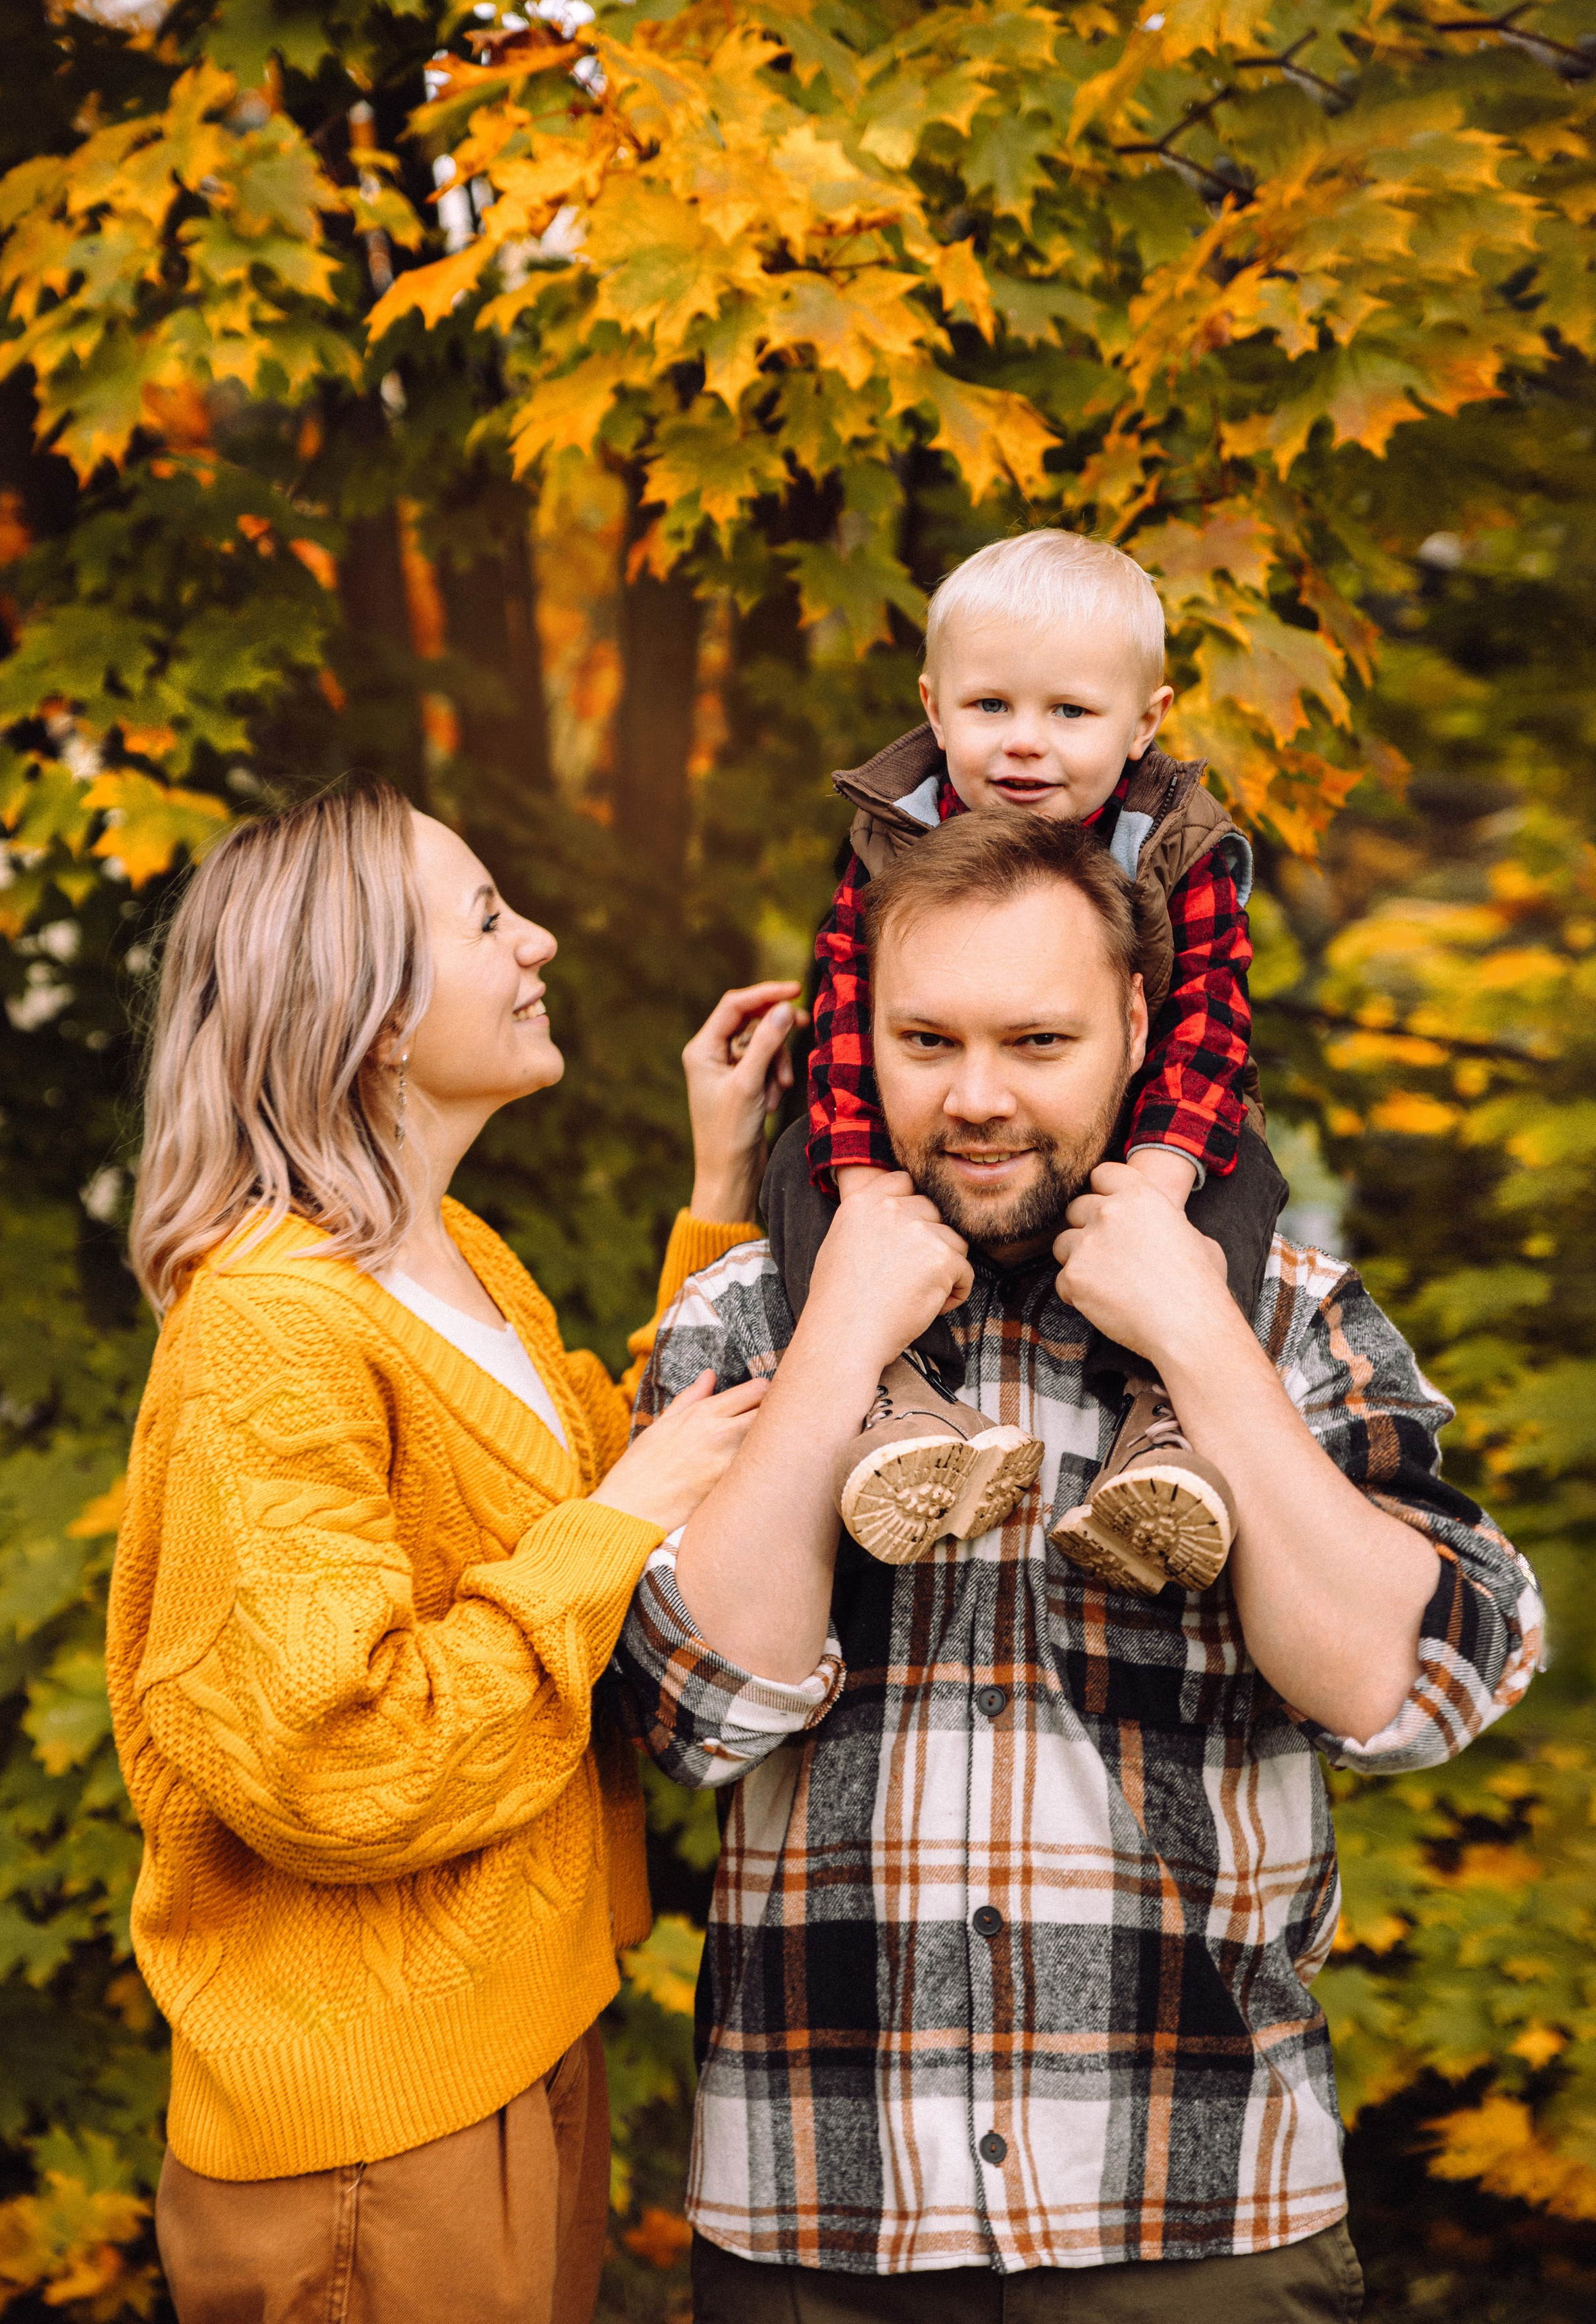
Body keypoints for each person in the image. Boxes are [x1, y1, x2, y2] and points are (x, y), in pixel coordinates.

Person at [613, 810, 1542, 2324]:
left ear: (1132, 1027)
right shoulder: (753, 1313)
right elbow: (688, 1708)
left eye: (1033, 1040)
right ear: (864, 1036)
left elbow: (1411, 1688)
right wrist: (839, 1336)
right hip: (819, 2229)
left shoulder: (1285, 1316)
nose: (974, 1099)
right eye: (926, 1040)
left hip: (1200, 2213)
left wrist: (1199, 1341)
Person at [107, 776, 801, 2324]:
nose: (537, 938)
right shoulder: (272, 1324)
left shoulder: (452, 1256)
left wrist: (716, 1194)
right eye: (485, 917)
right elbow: (331, 1758)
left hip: (510, 2031)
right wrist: (617, 1518)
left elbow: (608, 1496)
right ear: (373, 1016)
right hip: (372, 2119)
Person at [774, 528, 1286, 1590]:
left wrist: (1155, 1186)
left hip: (1133, 1135)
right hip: (937, 1153)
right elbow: (844, 1016)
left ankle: (1163, 1421)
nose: (1024, 745)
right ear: (933, 705)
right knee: (796, 1165)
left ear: (1145, 722)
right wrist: (868, 1192)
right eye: (990, 706)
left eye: (1070, 713)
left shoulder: (1176, 842)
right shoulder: (890, 834)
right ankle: (895, 1396)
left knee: (1242, 1183)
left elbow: (1208, 1026)